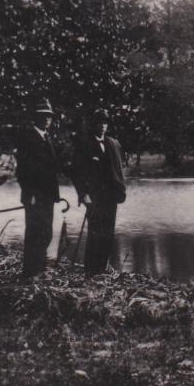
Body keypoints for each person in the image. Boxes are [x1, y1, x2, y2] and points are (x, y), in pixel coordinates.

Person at [72, 108, 126, 276]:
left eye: (105, 123)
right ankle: (90, 271)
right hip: (94, 198)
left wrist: (120, 190)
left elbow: (119, 169)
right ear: (93, 125)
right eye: (99, 123)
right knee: (95, 232)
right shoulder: (84, 144)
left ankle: (101, 270)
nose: (102, 126)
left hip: (111, 197)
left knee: (108, 234)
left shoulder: (113, 144)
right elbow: (76, 173)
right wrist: (83, 194)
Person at [15, 98, 63, 279]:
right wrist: (30, 194)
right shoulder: (28, 138)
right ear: (35, 117)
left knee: (46, 232)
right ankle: (30, 273)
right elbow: (22, 171)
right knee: (34, 233)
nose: (47, 120)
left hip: (48, 196)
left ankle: (40, 269)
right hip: (35, 196)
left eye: (49, 117)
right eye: (43, 116)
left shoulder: (46, 137)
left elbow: (52, 168)